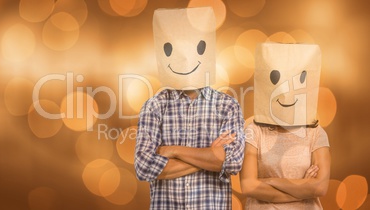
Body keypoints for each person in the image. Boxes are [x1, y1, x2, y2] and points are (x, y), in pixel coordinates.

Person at [134, 7, 245, 209]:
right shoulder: (154, 107)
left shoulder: (228, 106)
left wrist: (172, 150)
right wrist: (210, 155)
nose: (185, 59)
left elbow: (233, 162)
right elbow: (143, 168)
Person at [240, 43, 331, 209]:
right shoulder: (253, 128)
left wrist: (268, 182)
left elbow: (320, 187)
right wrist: (302, 186)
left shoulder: (315, 132)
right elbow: (248, 185)